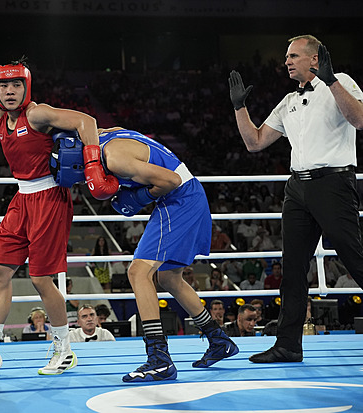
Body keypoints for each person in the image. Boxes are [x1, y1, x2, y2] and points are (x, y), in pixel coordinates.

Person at [0, 57, 117, 375]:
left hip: (50, 198)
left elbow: (87, 122)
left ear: (26, 87)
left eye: (16, 85)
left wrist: (93, 165)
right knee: (0, 272)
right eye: (3, 85)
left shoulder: (37, 114)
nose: (10, 91)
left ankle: (63, 349)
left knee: (41, 279)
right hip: (21, 199)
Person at [56, 127, 239, 382]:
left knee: (138, 272)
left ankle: (159, 358)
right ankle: (219, 340)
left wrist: (140, 196)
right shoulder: (100, 135)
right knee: (169, 278)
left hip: (179, 197)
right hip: (189, 195)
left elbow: (171, 181)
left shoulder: (114, 158)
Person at [229, 35, 363, 363]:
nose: (286, 61)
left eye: (293, 56)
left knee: (355, 257)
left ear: (314, 59)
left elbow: (359, 120)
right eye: (286, 57)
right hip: (297, 189)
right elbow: (256, 142)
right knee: (292, 268)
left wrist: (331, 80)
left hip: (332, 182)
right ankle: (288, 344)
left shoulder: (341, 83)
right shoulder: (289, 100)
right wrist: (239, 107)